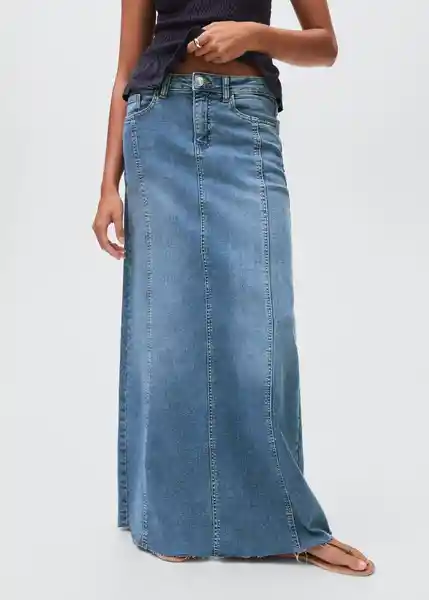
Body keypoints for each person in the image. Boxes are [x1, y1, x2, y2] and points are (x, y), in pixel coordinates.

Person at [92, 0, 375, 577]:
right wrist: (106, 187)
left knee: (262, 329)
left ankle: (281, 522)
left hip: (245, 123)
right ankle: (170, 518)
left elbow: (324, 44)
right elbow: (125, 70)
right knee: (168, 336)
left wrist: (253, 35)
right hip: (160, 121)